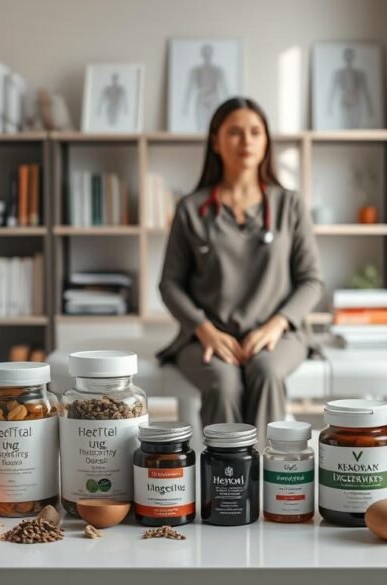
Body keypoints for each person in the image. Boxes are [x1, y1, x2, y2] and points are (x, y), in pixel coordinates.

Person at [157, 97, 323, 439]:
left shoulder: (290, 205)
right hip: (206, 336)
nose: (246, 141)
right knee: (223, 382)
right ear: (216, 142)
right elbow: (170, 284)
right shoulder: (190, 209)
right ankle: (225, 473)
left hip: (279, 335)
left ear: (266, 141)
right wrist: (203, 328)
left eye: (255, 132)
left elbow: (311, 281)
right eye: (234, 132)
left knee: (266, 371)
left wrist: (277, 324)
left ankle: (263, 470)